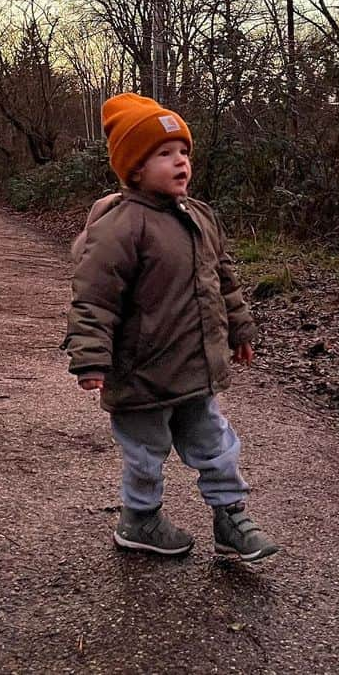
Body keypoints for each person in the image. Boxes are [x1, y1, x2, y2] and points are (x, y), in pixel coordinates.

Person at [63, 92, 279, 563]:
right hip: (141, 372)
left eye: (184, 152)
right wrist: (92, 358)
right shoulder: (122, 226)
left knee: (216, 444)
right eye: (164, 154)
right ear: (135, 168)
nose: (180, 161)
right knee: (146, 453)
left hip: (195, 367)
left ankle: (231, 519)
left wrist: (240, 330)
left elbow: (222, 278)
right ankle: (139, 520)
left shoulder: (199, 216)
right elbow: (95, 299)